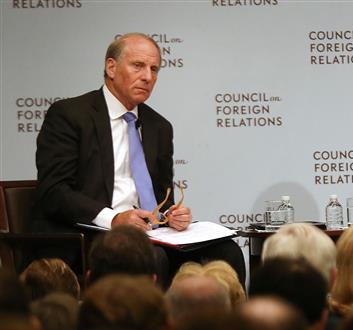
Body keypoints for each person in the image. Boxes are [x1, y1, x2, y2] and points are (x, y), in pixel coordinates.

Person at [30, 32, 245, 283]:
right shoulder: (70, 115)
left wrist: (171, 216)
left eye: (154, 69)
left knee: (226, 251)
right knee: (151, 257)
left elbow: (161, 199)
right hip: (89, 235)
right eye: (138, 66)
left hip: (150, 235)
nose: (148, 77)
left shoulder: (159, 126)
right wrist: (115, 218)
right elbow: (53, 191)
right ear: (111, 67)